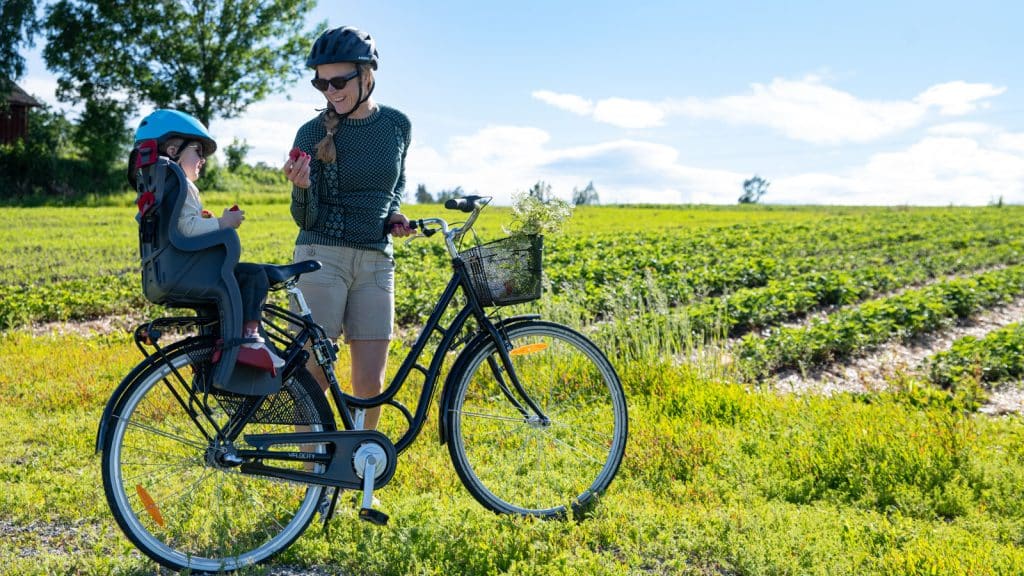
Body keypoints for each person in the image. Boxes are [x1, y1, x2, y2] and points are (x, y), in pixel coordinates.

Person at [282, 26, 413, 429]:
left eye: (338, 81)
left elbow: (397, 183)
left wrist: (393, 214)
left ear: (367, 74)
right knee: (313, 375)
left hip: (375, 261)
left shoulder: (396, 126)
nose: (329, 91)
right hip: (322, 258)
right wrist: (301, 189)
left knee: (370, 382)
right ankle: (309, 474)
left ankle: (362, 469)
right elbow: (306, 219)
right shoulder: (311, 133)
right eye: (320, 82)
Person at [133, 109, 284, 369]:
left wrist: (205, 221)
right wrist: (222, 223)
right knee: (253, 275)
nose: (203, 159)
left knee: (214, 308)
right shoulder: (181, 182)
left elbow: (175, 225)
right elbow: (188, 229)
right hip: (187, 269)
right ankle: (250, 340)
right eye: (198, 151)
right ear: (172, 150)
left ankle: (210, 355)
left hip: (166, 270)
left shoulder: (159, 186)